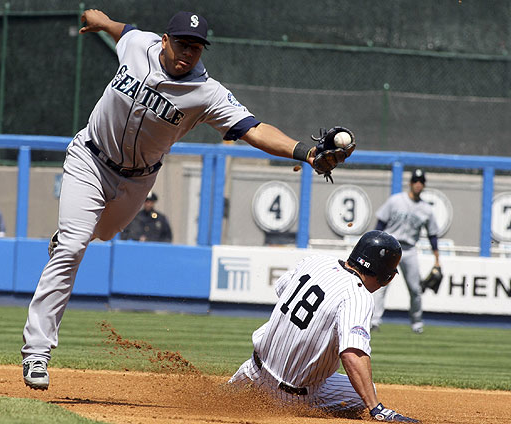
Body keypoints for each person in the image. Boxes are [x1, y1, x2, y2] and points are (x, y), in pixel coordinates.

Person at [21, 9, 339, 390]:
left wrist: (306, 152)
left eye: (197, 47)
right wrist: (102, 21)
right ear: (165, 40)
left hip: (137, 181)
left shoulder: (206, 92)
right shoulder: (139, 45)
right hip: (89, 158)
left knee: (100, 234)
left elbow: (253, 129)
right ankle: (37, 352)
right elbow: (124, 31)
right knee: (72, 248)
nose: (189, 53)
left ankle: (74, 235)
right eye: (183, 44)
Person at [229, 231, 419, 422]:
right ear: (386, 276)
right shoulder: (358, 295)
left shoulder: (317, 261)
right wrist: (376, 408)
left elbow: (282, 289)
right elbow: (352, 354)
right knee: (365, 394)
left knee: (218, 401)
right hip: (290, 396)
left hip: (251, 371)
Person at [371, 169, 440, 334]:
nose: (418, 184)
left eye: (421, 181)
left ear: (424, 185)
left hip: (409, 250)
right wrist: (375, 246)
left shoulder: (426, 209)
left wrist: (437, 259)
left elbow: (432, 235)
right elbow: (380, 224)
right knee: (380, 286)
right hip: (389, 247)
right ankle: (374, 321)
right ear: (410, 183)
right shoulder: (395, 201)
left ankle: (417, 323)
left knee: (415, 289)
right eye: (415, 181)